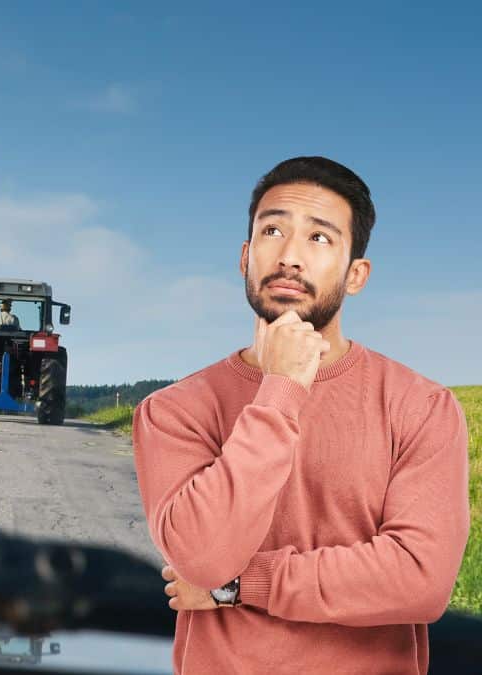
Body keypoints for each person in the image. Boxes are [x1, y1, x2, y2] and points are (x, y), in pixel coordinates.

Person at [131, 156, 470, 674]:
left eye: (319, 238)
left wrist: (241, 586)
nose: (289, 256)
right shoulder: (173, 412)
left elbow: (420, 580)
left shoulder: (421, 406)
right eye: (272, 230)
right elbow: (202, 558)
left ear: (356, 273)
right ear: (246, 255)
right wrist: (283, 388)